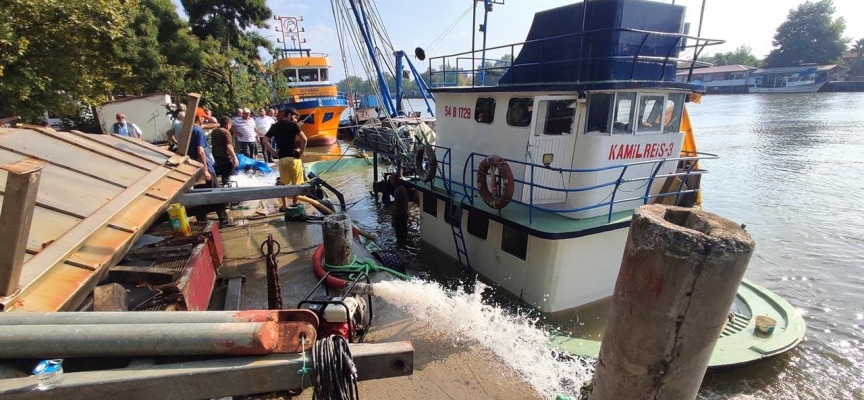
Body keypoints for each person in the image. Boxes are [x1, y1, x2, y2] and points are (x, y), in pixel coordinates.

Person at [187, 108, 231, 227]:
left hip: (193, 169)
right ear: (198, 117)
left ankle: (202, 222)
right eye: (203, 118)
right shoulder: (198, 132)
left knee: (199, 196)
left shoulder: (187, 131)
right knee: (216, 193)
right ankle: (224, 220)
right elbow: (200, 151)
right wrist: (205, 170)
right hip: (204, 168)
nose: (204, 120)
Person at [262, 107, 307, 210]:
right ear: (289, 115)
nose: (296, 120)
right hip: (294, 159)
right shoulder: (293, 125)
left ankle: (284, 205)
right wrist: (301, 151)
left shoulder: (275, 126)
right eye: (295, 117)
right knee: (296, 185)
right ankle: (295, 204)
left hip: (282, 159)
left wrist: (273, 152)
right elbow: (304, 139)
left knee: (284, 184)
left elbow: (264, 140)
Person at [211, 116, 239, 187]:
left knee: (223, 171)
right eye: (230, 125)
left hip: (216, 155)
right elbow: (229, 146)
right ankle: (227, 187)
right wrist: (234, 158)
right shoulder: (226, 132)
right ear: (227, 124)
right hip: (224, 156)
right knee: (229, 172)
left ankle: (224, 185)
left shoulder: (214, 131)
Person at [388, 174, 409, 244]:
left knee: (399, 235)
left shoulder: (397, 191)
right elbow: (406, 202)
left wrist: (393, 219)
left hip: (399, 216)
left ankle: (400, 246)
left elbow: (395, 207)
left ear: (393, 181)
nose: (390, 181)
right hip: (404, 214)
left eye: (391, 179)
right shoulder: (403, 188)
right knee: (404, 233)